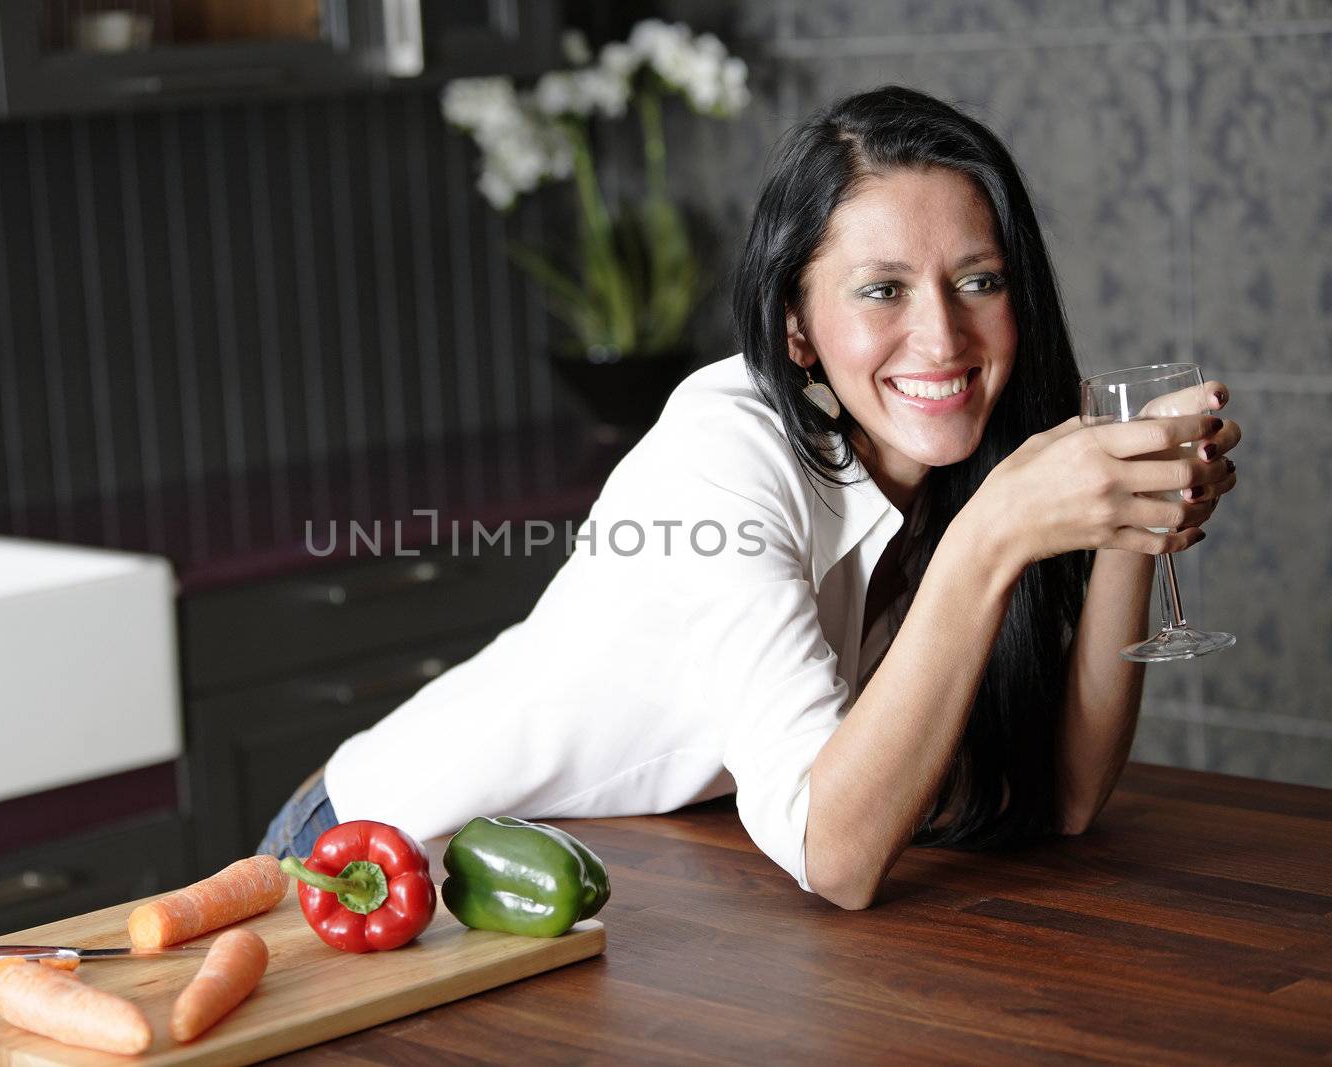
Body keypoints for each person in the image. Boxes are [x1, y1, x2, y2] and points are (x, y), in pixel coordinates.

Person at [258, 85, 1242, 910]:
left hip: (580, 891)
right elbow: (835, 855)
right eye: (881, 290)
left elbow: (1062, 795)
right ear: (797, 328)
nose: (942, 337)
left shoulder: (966, 465)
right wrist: (992, 537)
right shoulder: (723, 448)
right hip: (377, 860)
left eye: (977, 280)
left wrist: (1128, 522)